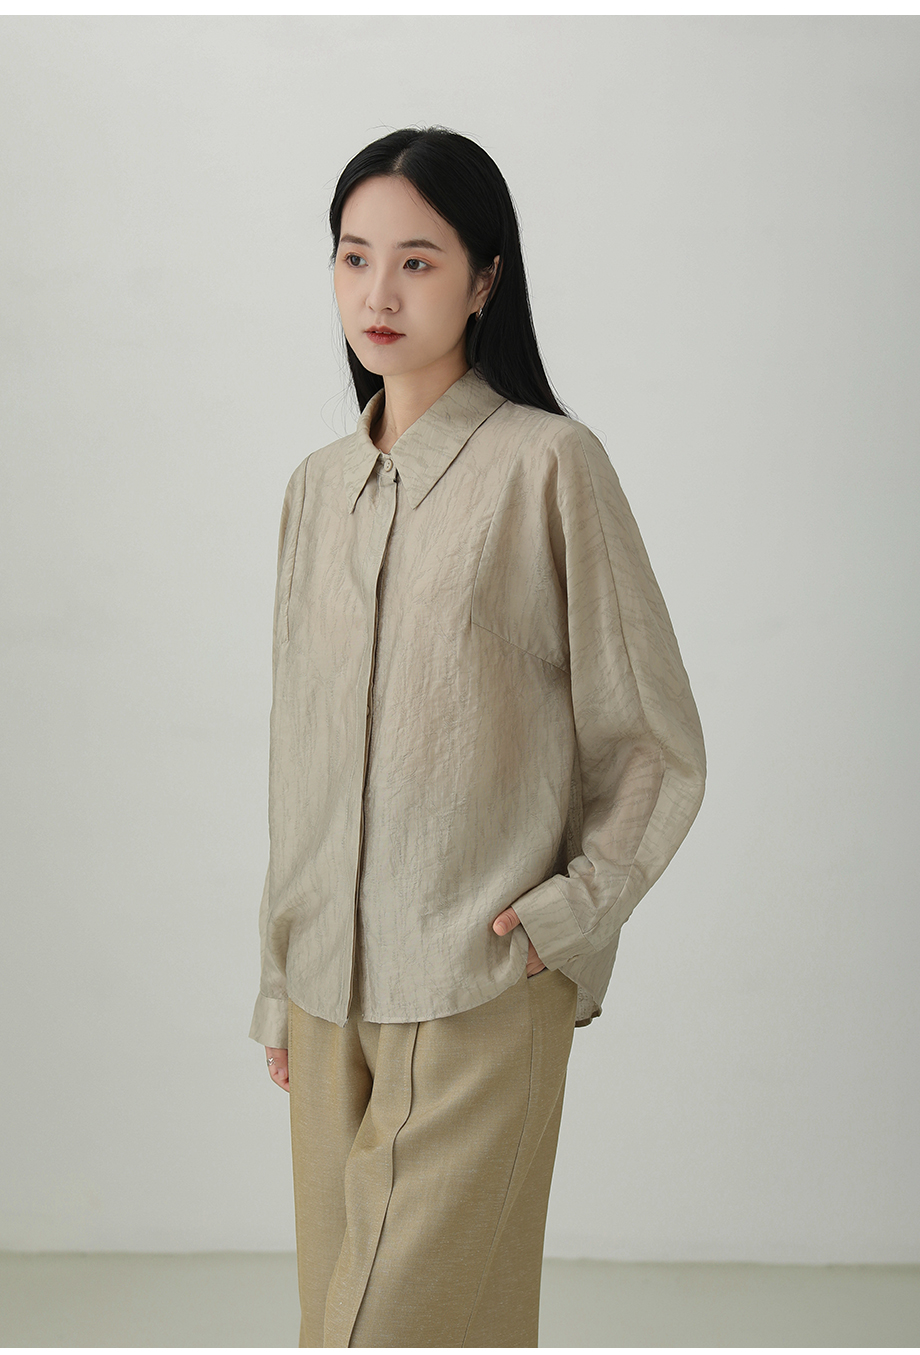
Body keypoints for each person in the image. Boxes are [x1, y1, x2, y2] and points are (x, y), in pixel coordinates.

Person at [249, 125, 706, 1348]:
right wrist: (281, 980)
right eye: (354, 257)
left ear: (484, 278)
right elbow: (301, 756)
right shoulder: (314, 489)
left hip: (477, 983)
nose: (378, 293)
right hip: (328, 995)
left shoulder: (549, 466)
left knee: (378, 1330)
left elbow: (653, 739)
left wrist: (569, 915)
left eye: (417, 261)